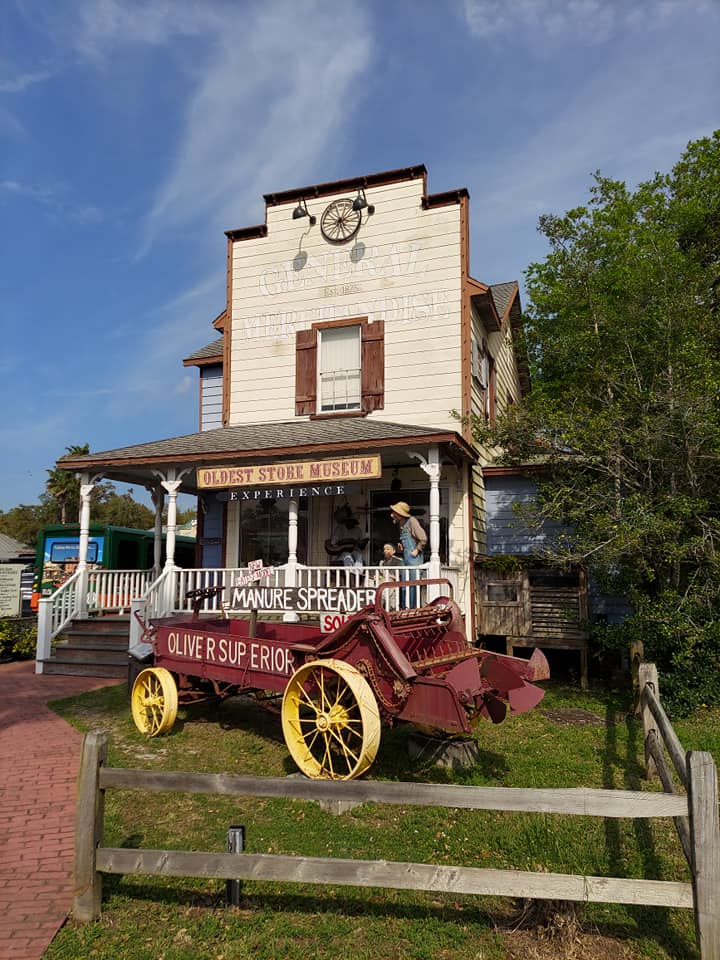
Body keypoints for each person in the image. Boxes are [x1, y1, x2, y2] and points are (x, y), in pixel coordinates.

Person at [390, 501, 427, 608]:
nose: (393, 515)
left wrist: (417, 549)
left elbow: (423, 538)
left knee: (413, 585)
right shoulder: (401, 524)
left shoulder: (412, 521)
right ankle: (404, 607)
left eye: (394, 512)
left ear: (400, 513)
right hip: (405, 558)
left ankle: (412, 608)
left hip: (414, 559)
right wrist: (401, 549)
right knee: (404, 584)